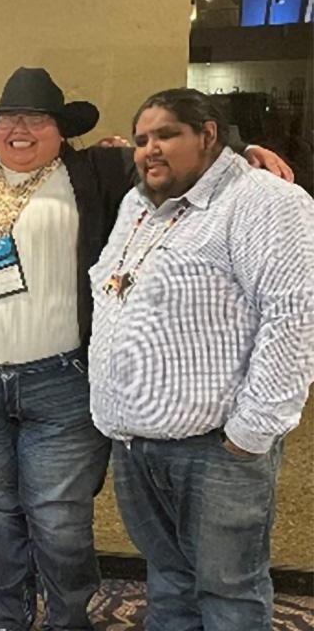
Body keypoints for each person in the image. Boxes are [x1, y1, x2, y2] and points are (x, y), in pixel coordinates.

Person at [0, 68, 295, 631]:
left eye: (37, 118)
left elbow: (184, 157)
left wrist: (243, 150)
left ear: (62, 131)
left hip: (58, 381)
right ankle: (5, 618)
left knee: (58, 519)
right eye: (8, 117)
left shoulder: (99, 172)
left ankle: (66, 619)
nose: (20, 129)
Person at [89, 88, 314, 631]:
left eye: (166, 135)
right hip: (137, 445)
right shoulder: (137, 205)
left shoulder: (264, 200)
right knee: (169, 584)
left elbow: (296, 315)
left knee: (228, 593)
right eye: (142, 140)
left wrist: (251, 432)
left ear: (208, 134)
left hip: (216, 451)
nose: (149, 150)